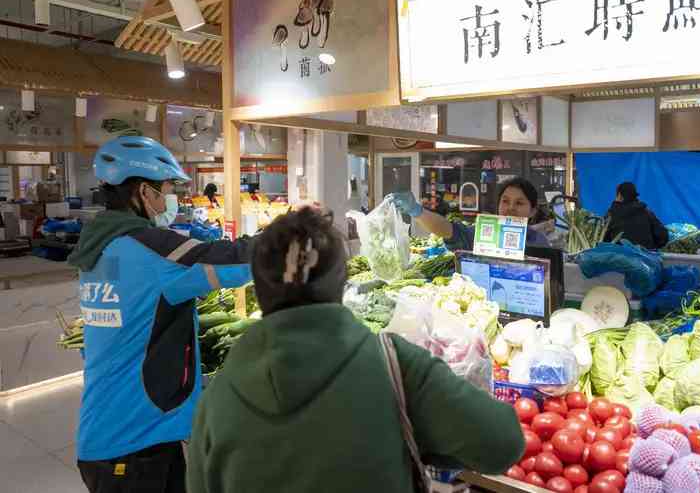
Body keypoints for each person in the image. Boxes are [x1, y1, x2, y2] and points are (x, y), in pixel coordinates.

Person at [187, 207, 525, 493]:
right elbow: (502, 443)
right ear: (341, 280)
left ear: (258, 288)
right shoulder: (395, 364)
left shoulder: (216, 398)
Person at [67, 136, 254, 493]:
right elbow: (232, 261)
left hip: (113, 429)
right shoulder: (149, 250)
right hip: (135, 444)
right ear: (142, 191)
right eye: (167, 188)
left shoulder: (101, 246)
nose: (172, 197)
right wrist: (293, 236)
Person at [390, 176, 551, 252]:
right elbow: (448, 230)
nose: (510, 208)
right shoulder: (483, 234)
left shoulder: (539, 243)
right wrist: (416, 211)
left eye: (519, 203)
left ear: (532, 210)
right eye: (505, 201)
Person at [605, 181, 669, 250]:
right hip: (646, 257)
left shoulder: (611, 214)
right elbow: (663, 236)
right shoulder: (646, 211)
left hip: (620, 258)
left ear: (620, 196)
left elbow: (604, 240)